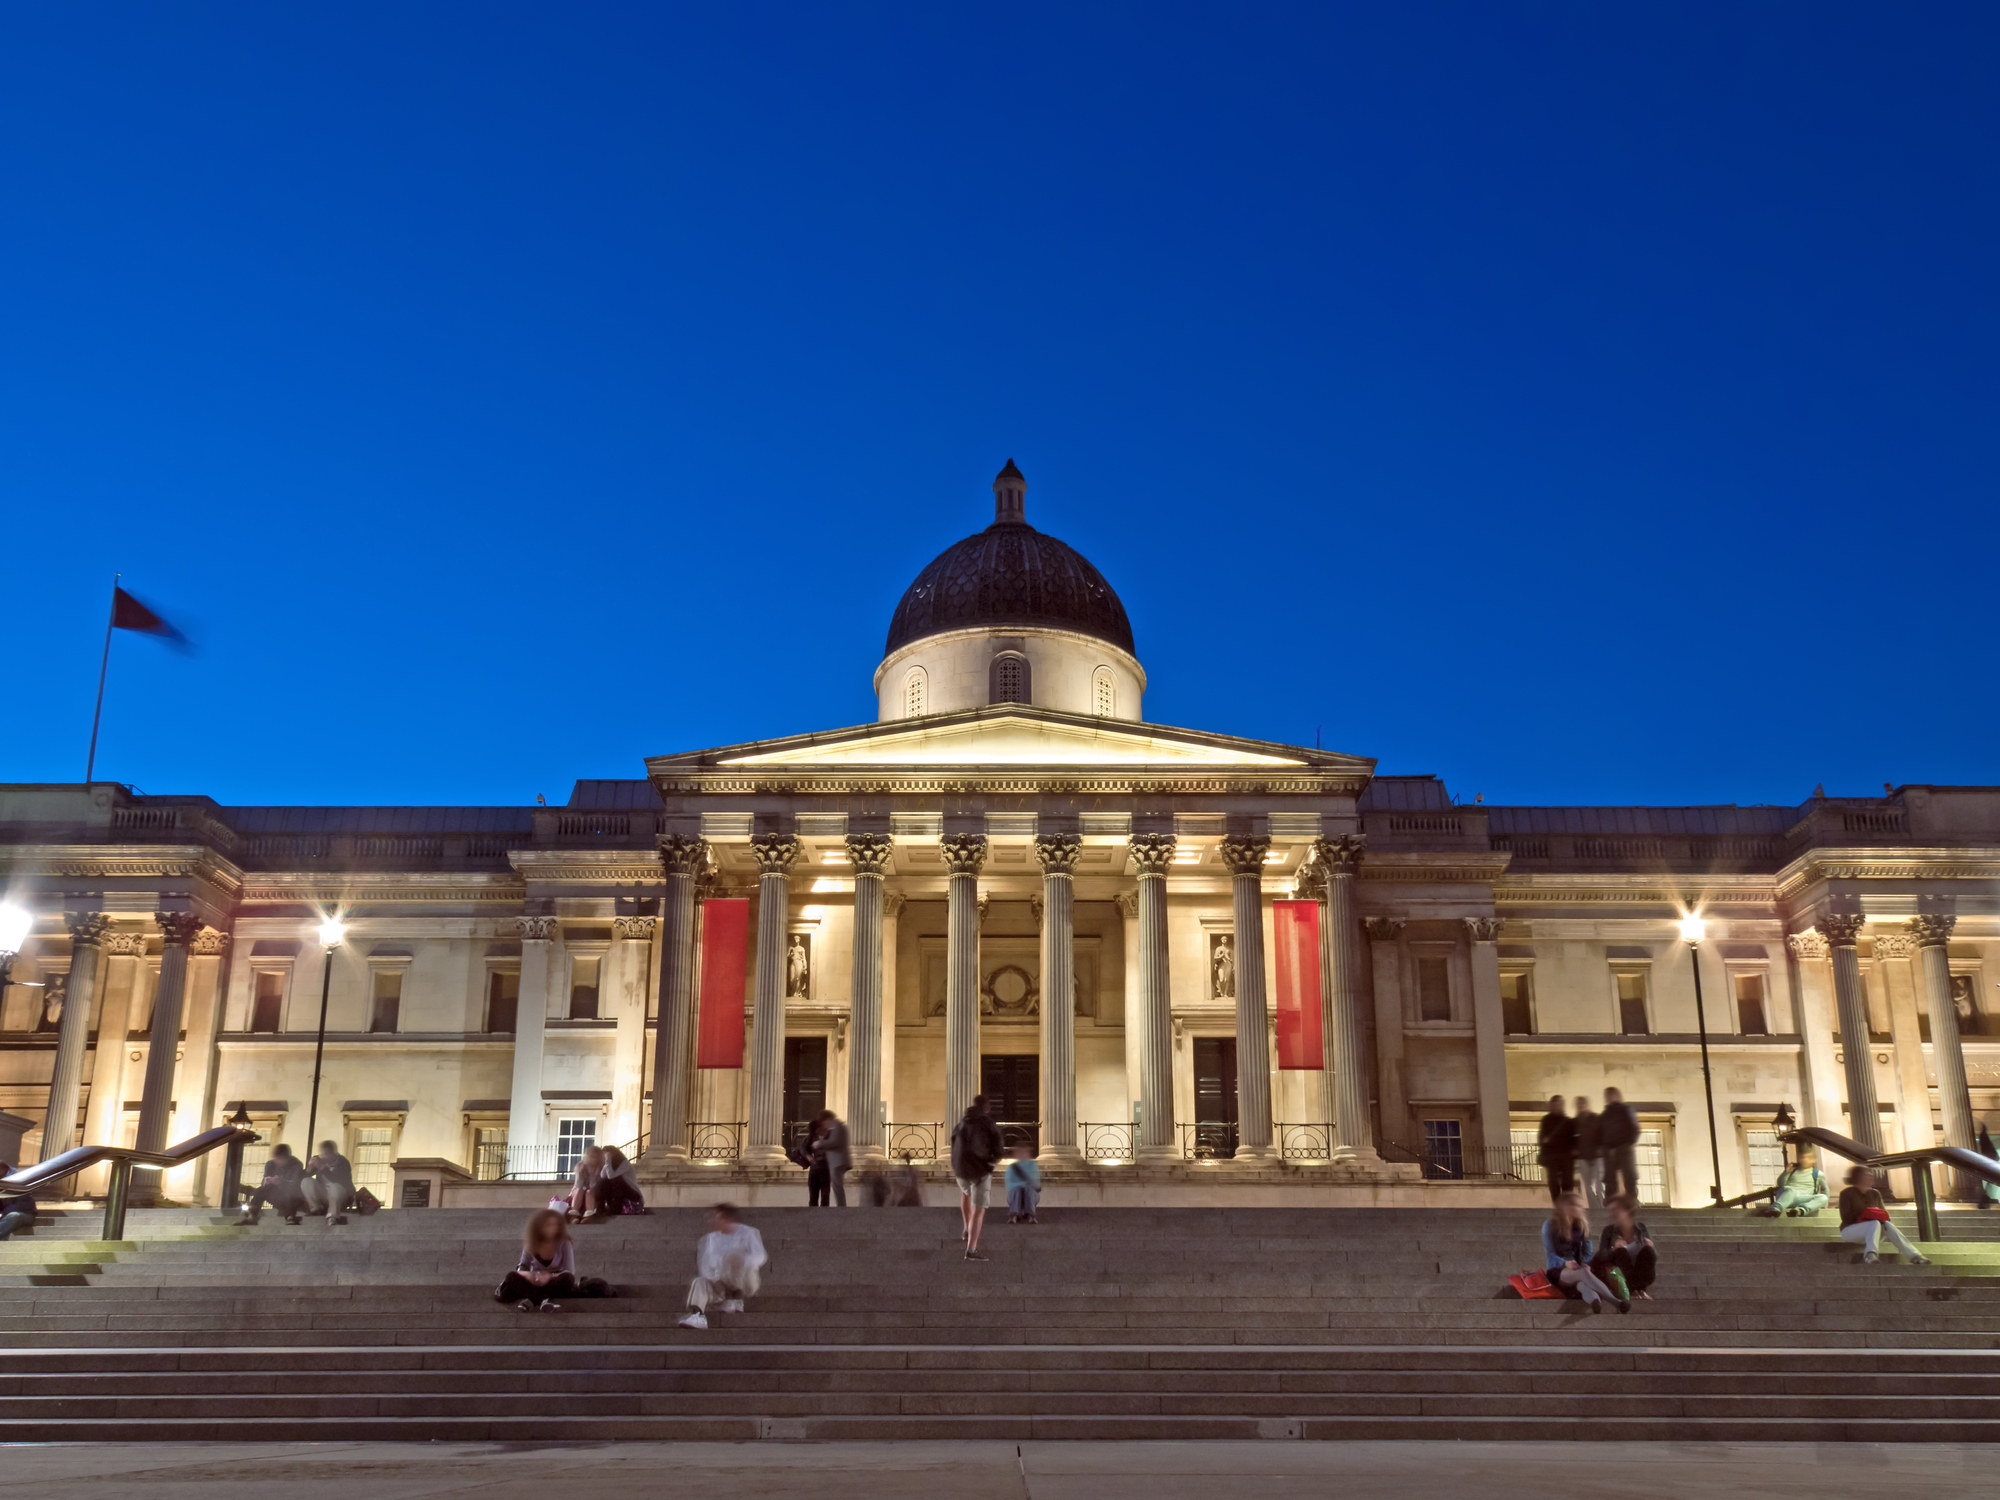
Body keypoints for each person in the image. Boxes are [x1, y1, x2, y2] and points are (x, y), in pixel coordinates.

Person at [680, 1203, 767, 1330]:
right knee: (699, 1281)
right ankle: (697, 1314)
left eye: (717, 1218)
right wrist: (715, 1280)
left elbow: (760, 1256)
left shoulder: (748, 1233)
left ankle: (736, 1298)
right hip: (721, 1284)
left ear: (728, 1219)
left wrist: (740, 1259)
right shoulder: (711, 1238)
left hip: (745, 1281)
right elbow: (705, 1265)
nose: (713, 1221)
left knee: (732, 1257)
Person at [1542, 1190, 1625, 1313]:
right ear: (1567, 1207)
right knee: (1583, 1274)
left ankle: (1594, 1301)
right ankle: (1616, 1302)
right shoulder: (1550, 1226)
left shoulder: (1582, 1226)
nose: (1582, 1209)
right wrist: (1566, 1263)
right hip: (1558, 1271)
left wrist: (1586, 1264)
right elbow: (1550, 1255)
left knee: (1582, 1283)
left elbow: (1588, 1253)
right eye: (1578, 1205)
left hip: (1578, 1269)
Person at [1839, 1166, 1931, 1265]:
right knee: (1873, 1223)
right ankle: (1870, 1254)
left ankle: (1914, 1256)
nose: (1870, 1176)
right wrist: (1865, 1213)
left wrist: (1876, 1215)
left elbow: (1884, 1215)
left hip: (1875, 1230)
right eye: (1867, 1174)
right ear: (1857, 1176)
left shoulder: (1875, 1194)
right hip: (1851, 1230)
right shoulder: (1846, 1193)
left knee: (1887, 1224)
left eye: (1871, 1174)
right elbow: (1846, 1217)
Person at [950, 1093, 1003, 1261]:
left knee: (965, 1194)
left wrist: (956, 1165)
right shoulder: (987, 1124)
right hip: (980, 1170)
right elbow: (999, 1148)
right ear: (986, 1108)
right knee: (979, 1208)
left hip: (961, 1170)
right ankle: (971, 1249)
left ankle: (966, 1228)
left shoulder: (961, 1123)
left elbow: (952, 1145)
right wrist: (991, 1163)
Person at [495, 1208, 578, 1311]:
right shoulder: (531, 1243)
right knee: (511, 1277)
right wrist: (530, 1276)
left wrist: (549, 1276)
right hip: (533, 1280)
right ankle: (543, 1300)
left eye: (555, 1225)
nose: (552, 1228)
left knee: (567, 1279)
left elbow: (569, 1271)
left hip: (554, 1281)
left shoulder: (564, 1243)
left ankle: (533, 1300)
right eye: (548, 1225)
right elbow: (522, 1267)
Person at [1592, 1193, 1657, 1300]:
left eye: (1617, 1210)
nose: (1614, 1214)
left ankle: (1641, 1289)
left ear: (1628, 1211)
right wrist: (1614, 1248)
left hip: (1639, 1267)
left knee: (1648, 1251)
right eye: (1612, 1211)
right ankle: (1632, 1290)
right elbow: (1600, 1255)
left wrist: (1651, 1246)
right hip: (1620, 1269)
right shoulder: (1609, 1231)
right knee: (1621, 1252)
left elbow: (1654, 1255)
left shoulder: (1641, 1228)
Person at [238, 1143, 306, 1225]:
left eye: (281, 1159)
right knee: (262, 1189)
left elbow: (295, 1183)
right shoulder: (270, 1164)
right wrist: (266, 1182)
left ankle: (290, 1216)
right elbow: (264, 1182)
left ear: (287, 1158)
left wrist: (281, 1181)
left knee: (290, 1192)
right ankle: (251, 1216)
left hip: (294, 1197)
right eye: (276, 1158)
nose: (278, 1161)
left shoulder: (296, 1164)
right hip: (276, 1195)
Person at [1760, 1145, 1829, 1217]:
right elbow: (1780, 1184)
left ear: (1813, 1160)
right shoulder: (1792, 1170)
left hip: (1804, 1198)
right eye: (1802, 1157)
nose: (1804, 1160)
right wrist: (1786, 1173)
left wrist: (1825, 1205)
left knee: (1823, 1198)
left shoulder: (1818, 1174)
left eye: (1808, 1158)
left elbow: (1825, 1189)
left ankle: (1800, 1210)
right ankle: (1775, 1209)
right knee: (1790, 1190)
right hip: (1788, 1197)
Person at [1600, 1087, 1641, 1202]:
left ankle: (1633, 1199)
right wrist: (1605, 1147)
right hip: (1610, 1149)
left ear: (1617, 1095)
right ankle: (1610, 1200)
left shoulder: (1625, 1109)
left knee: (1629, 1175)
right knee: (1610, 1177)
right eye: (1607, 1095)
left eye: (1611, 1094)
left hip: (1624, 1146)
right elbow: (1601, 1132)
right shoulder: (1605, 1114)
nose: (1609, 1097)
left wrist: (1629, 1143)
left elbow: (1634, 1128)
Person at [300, 1140, 353, 1226]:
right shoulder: (319, 1160)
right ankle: (316, 1208)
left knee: (335, 1187)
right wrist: (309, 1168)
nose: (324, 1157)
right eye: (323, 1154)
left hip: (341, 1197)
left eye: (327, 1154)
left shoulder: (343, 1162)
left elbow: (338, 1181)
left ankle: (332, 1216)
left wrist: (322, 1167)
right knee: (306, 1181)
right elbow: (302, 1177)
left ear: (334, 1153)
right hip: (323, 1194)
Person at [1536, 1095, 1575, 1202]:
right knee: (1553, 1182)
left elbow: (1573, 1137)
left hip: (1565, 1156)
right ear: (1552, 1105)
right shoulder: (1546, 1120)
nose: (1559, 1106)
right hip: (1552, 1156)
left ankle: (1566, 1204)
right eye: (1557, 1104)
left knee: (1567, 1181)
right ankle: (1558, 1204)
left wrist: (1574, 1149)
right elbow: (1541, 1137)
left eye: (1561, 1104)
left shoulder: (1568, 1121)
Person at [812, 1110, 850, 1208]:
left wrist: (820, 1143)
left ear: (828, 1119)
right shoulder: (836, 1126)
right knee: (836, 1184)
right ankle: (841, 1206)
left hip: (838, 1161)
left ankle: (841, 1206)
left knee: (837, 1185)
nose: (825, 1126)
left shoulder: (837, 1125)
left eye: (824, 1123)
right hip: (837, 1161)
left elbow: (834, 1142)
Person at [594, 1145, 646, 1216]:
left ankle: (615, 1209)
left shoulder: (625, 1163)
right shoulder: (609, 1164)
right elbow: (602, 1176)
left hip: (632, 1194)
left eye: (607, 1155)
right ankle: (600, 1208)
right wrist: (606, 1163)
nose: (605, 1157)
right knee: (603, 1182)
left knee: (617, 1181)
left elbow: (611, 1176)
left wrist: (608, 1161)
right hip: (618, 1193)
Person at [1573, 1094, 1604, 1210]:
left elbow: (1601, 1135)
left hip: (1597, 1155)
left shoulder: (1595, 1119)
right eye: (1578, 1104)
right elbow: (1573, 1138)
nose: (1580, 1106)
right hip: (1583, 1156)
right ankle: (1596, 1206)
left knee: (1599, 1184)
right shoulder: (1575, 1122)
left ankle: (1600, 1205)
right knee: (1586, 1185)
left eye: (1582, 1104)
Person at [1005, 1142, 1041, 1224]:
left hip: (1030, 1193)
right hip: (1015, 1194)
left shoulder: (1032, 1165)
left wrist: (1023, 1185)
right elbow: (1009, 1184)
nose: (1022, 1154)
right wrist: (1022, 1185)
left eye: (1024, 1152)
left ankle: (1031, 1215)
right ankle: (1013, 1214)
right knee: (1016, 1189)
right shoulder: (1012, 1167)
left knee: (1029, 1188)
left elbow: (1035, 1181)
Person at [566, 1145, 605, 1220]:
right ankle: (574, 1212)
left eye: (594, 1157)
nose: (592, 1159)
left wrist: (593, 1175)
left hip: (593, 1192)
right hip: (579, 1191)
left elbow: (595, 1186)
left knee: (589, 1191)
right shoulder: (580, 1166)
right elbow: (578, 1184)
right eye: (590, 1156)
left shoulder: (600, 1168)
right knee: (579, 1190)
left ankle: (589, 1213)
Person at [0, 1168, 34, 1241]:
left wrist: (4, 1213)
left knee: (14, 1215)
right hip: (7, 1216)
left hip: (26, 1214)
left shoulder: (18, 1183)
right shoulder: (3, 1186)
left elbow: (22, 1206)